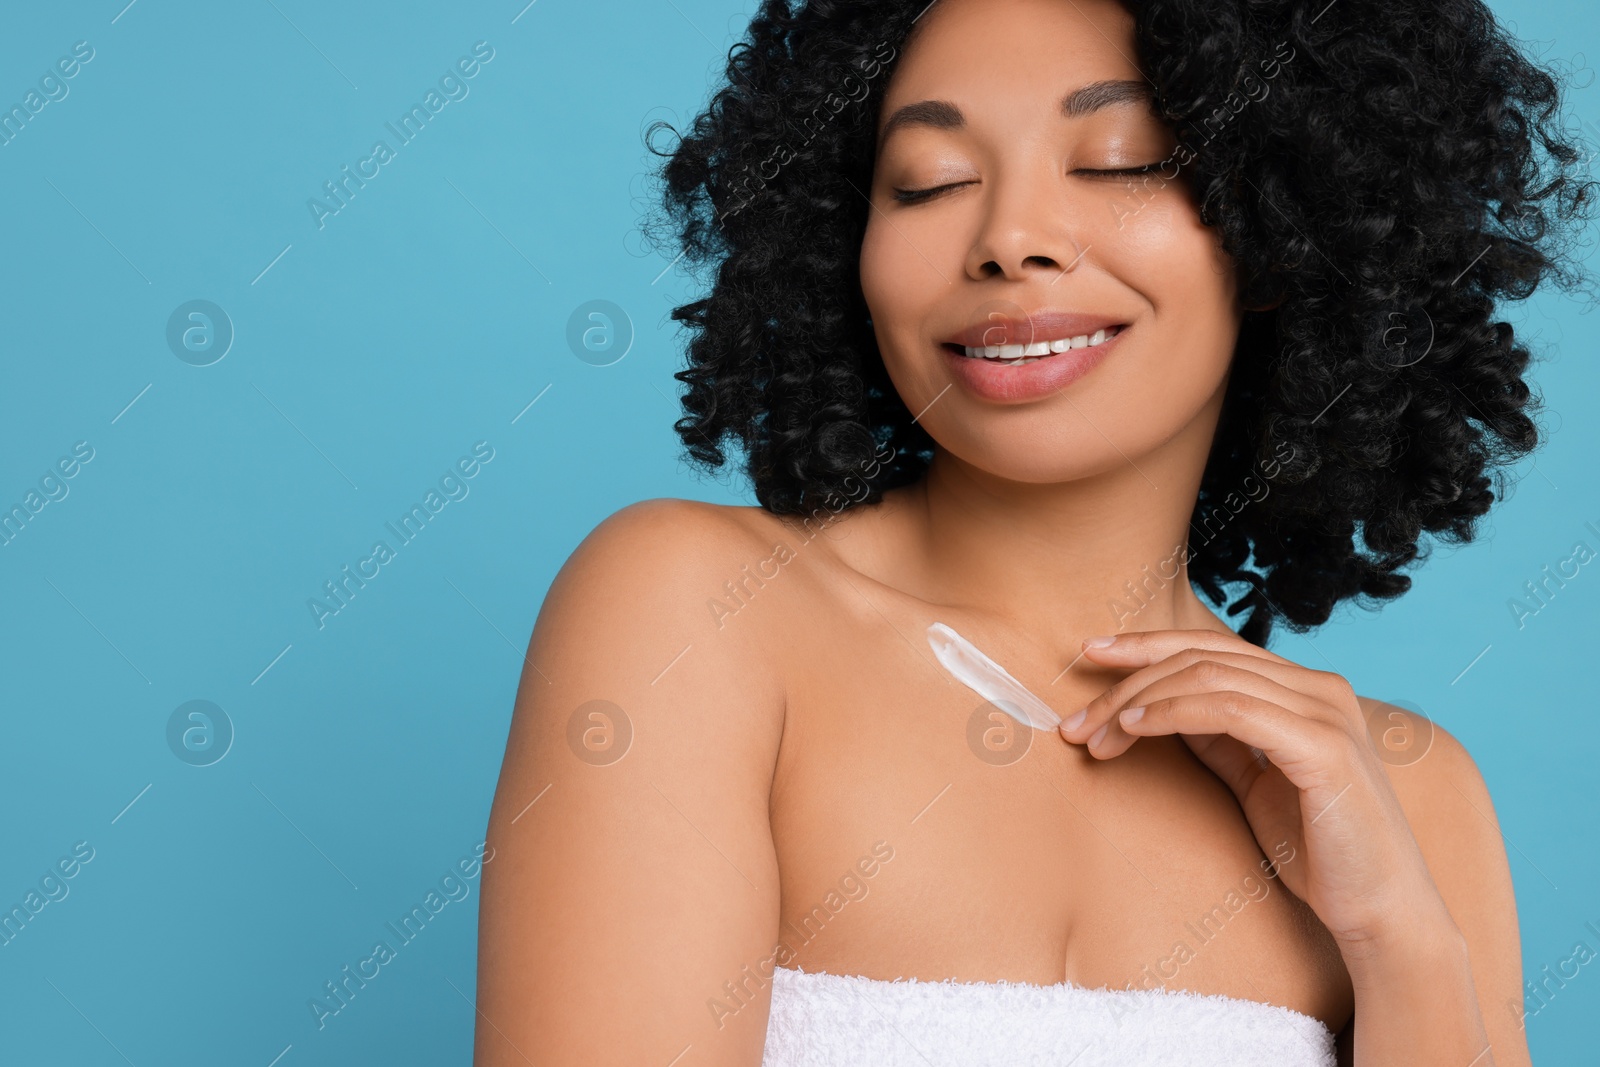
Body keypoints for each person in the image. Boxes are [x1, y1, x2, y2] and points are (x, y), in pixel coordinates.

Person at [473, 0, 1593, 1063]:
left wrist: (1398, 941)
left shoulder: (1403, 793)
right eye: (928, 182)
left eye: (1118, 161)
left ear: (1285, 224)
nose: (1008, 238)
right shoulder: (695, 617)